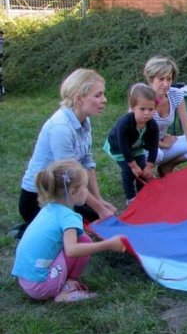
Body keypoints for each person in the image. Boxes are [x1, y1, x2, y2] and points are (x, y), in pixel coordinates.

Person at [17, 69, 117, 234]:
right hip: (40, 198)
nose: (104, 100)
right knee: (80, 229)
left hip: (67, 191)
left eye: (103, 94)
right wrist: (100, 209)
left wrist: (99, 201)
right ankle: (33, 227)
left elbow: (87, 162)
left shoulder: (84, 120)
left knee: (98, 219)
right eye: (98, 95)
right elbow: (70, 177)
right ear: (79, 99)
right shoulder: (61, 128)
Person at [11, 160, 126, 302]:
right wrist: (108, 244)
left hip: (26, 279)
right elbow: (72, 250)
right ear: (73, 192)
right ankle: (66, 291)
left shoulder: (48, 208)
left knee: (83, 239)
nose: (87, 191)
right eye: (85, 188)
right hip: (41, 287)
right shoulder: (69, 217)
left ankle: (67, 282)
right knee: (81, 244)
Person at [143, 55, 187, 176]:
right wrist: (163, 144)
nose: (166, 84)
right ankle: (144, 176)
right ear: (151, 79)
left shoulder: (176, 94)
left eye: (169, 79)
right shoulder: (141, 97)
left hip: (163, 143)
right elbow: (137, 136)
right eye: (161, 79)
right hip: (144, 146)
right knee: (157, 154)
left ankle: (168, 165)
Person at [103, 83, 159, 205]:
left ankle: (143, 192)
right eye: (142, 109)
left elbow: (154, 146)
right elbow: (124, 147)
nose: (147, 113)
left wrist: (149, 166)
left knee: (142, 168)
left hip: (136, 147)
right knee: (128, 171)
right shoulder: (125, 124)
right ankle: (131, 197)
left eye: (151, 109)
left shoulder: (152, 125)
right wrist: (133, 165)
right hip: (119, 149)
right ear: (133, 107)